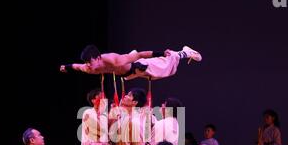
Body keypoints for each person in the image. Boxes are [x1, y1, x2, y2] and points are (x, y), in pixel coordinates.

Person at [60, 44, 202, 80]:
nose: (88, 65)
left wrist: (160, 52)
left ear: (98, 58)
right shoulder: (89, 68)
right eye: (87, 62)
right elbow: (77, 67)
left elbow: (139, 54)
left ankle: (185, 52)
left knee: (165, 67)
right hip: (129, 74)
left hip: (137, 65)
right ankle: (182, 53)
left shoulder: (114, 60)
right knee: (163, 73)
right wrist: (66, 67)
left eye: (90, 62)